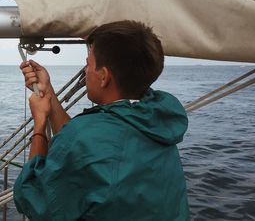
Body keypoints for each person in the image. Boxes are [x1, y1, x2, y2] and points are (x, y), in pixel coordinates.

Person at [13, 20, 189, 221]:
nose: (86, 71)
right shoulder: (156, 118)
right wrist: (48, 93)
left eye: (88, 64)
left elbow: (31, 197)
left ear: (104, 77)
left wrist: (40, 123)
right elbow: (83, 151)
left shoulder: (84, 137)